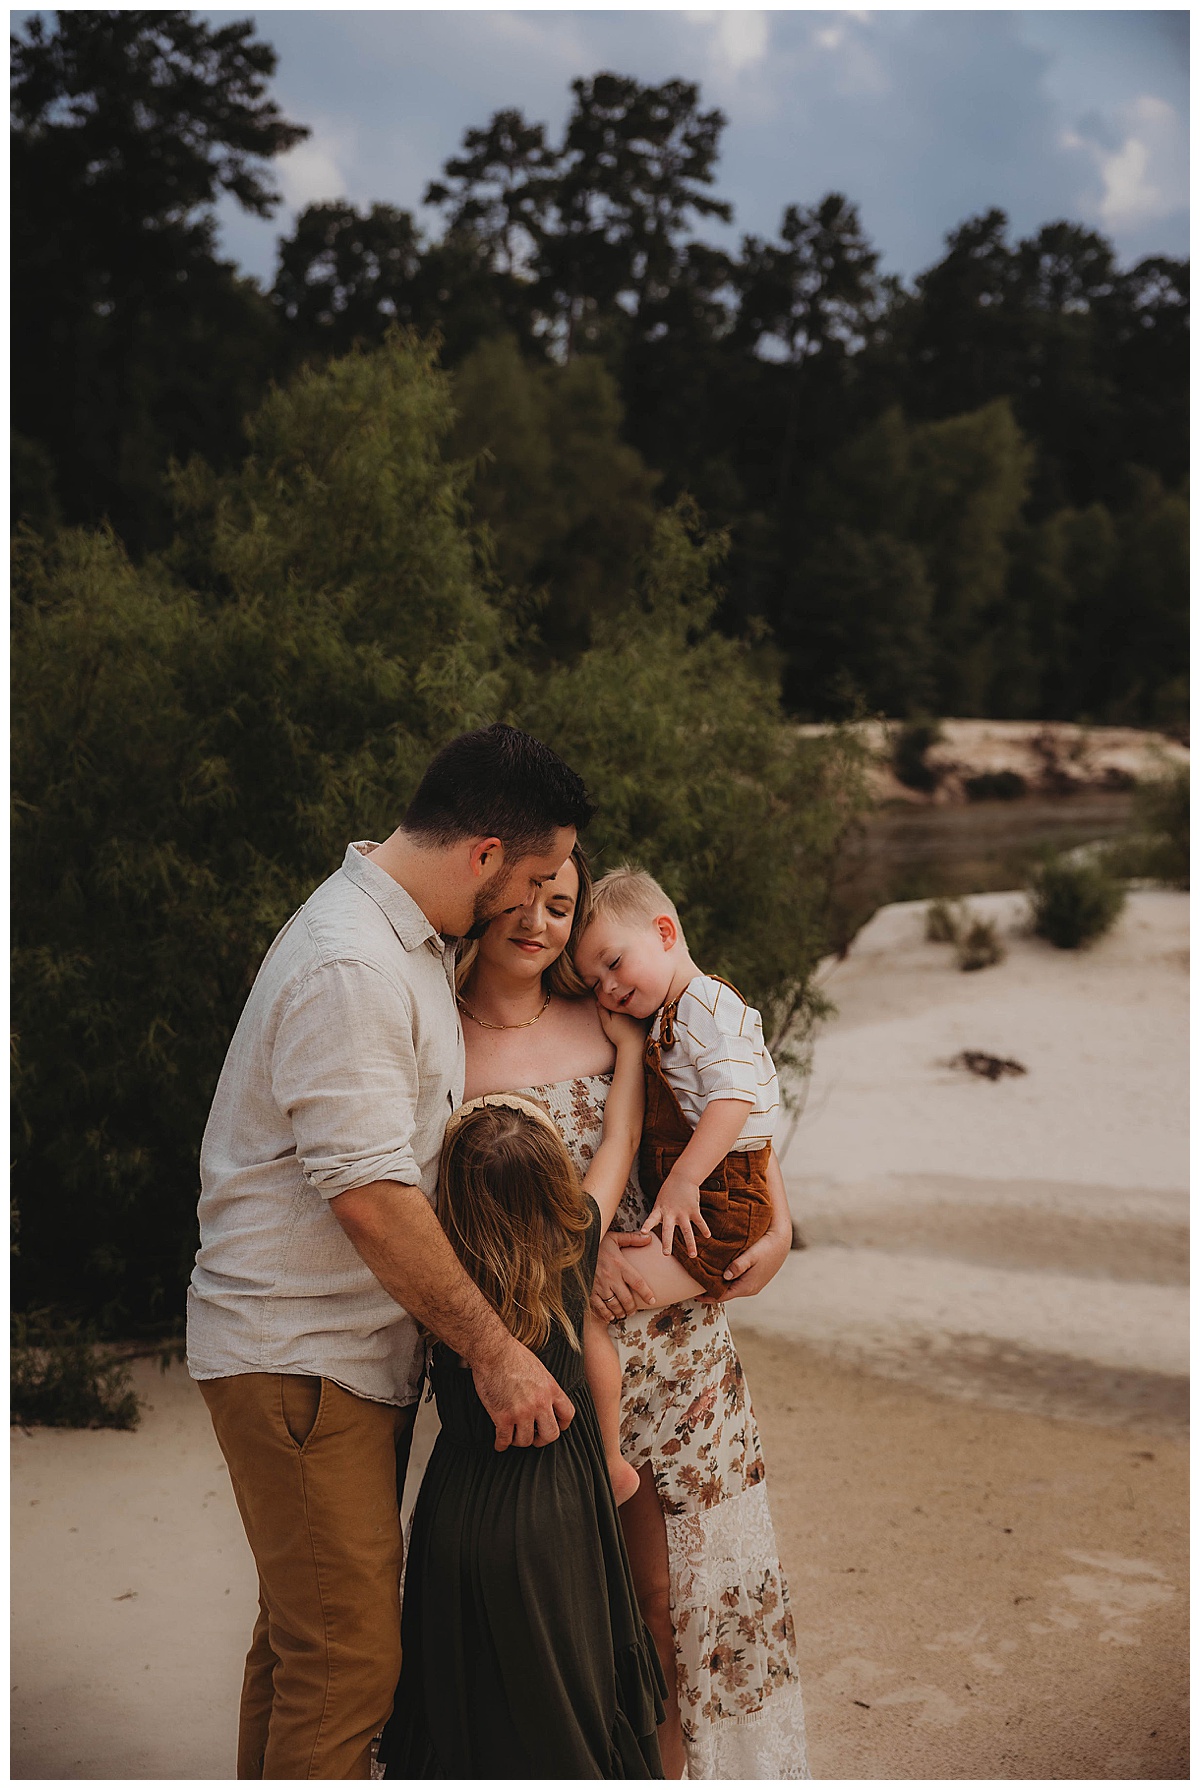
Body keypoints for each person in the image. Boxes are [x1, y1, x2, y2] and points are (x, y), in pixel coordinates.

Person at [185, 723, 594, 1780]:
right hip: (299, 1359)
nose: (536, 903)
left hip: (318, 1360)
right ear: (486, 855)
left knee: (301, 1642)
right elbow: (371, 1197)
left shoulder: (393, 938)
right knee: (350, 1660)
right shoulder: (352, 963)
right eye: (539, 876)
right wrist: (499, 1352)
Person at [455, 846, 811, 1779]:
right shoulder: (432, 1037)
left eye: (559, 905)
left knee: (676, 1603)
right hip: (556, 1360)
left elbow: (732, 1121)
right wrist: (575, 1265)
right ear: (473, 903)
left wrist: (772, 1234)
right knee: (580, 1611)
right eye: (518, 902)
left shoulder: (620, 1017)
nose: (538, 922)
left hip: (683, 1350)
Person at [378, 1074, 668, 1778]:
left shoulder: (441, 1286)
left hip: (459, 1510)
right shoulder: (576, 1244)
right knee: (562, 1693)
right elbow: (621, 1137)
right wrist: (630, 1050)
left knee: (466, 1701)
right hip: (557, 1512)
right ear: (554, 1182)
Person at [574, 863, 781, 1491]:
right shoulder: (673, 1016)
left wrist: (684, 1180)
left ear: (665, 931)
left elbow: (735, 1102)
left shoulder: (707, 1004)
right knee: (592, 1298)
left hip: (719, 1201)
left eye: (613, 963)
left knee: (583, 1305)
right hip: (718, 1194)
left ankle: (605, 1461)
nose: (607, 988)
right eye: (593, 981)